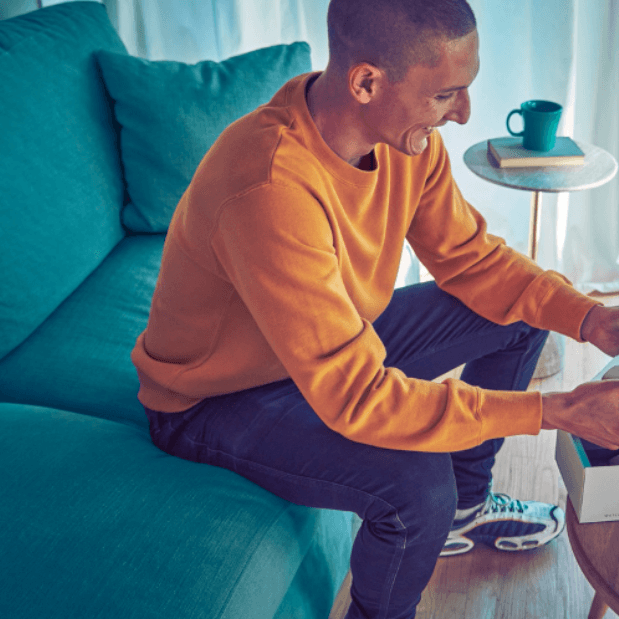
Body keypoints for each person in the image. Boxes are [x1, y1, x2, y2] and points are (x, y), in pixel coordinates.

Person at [131, 0, 619, 617]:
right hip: (214, 400)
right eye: (446, 95)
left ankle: (471, 505)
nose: (463, 113)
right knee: (416, 487)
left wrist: (590, 317)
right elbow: (356, 397)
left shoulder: (406, 141)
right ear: (366, 82)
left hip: (324, 344)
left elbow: (473, 260)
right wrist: (560, 410)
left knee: (522, 311)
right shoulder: (270, 186)